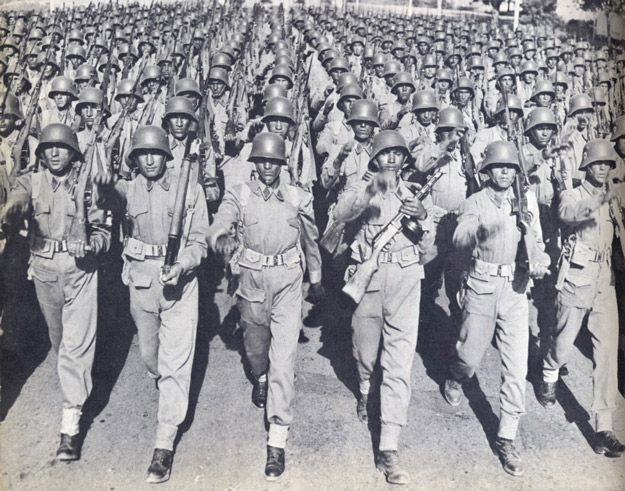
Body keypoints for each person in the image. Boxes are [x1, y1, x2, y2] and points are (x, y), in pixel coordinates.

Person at [94, 125, 209, 483]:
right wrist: (99, 178)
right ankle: (164, 388)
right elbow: (106, 196)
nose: (150, 159)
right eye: (142, 154)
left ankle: (164, 441)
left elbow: (200, 242)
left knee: (176, 362)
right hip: (141, 283)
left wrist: (184, 264)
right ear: (134, 159)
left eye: (156, 153)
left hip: (179, 283)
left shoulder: (189, 188)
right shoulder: (127, 191)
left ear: (166, 155)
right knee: (151, 356)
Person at [207, 132, 323, 481]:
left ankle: (277, 438)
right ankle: (259, 376)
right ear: (254, 163)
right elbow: (220, 222)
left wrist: (315, 279)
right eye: (263, 161)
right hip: (252, 283)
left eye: (274, 161)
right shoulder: (239, 195)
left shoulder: (297, 196)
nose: (268, 167)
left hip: (288, 281)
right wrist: (221, 239)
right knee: (256, 350)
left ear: (282, 164)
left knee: (284, 361)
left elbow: (311, 239)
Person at [1, 123, 110, 461]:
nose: (54, 153)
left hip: (80, 272)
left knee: (75, 349)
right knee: (60, 341)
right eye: (48, 148)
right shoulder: (31, 180)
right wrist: (8, 213)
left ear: (73, 152)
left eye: (60, 148)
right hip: (45, 269)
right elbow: (18, 201)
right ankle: (74, 385)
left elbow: (105, 231)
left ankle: (70, 426)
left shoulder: (87, 183)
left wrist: (90, 244)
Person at [443, 140, 550, 477]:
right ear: (487, 171)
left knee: (516, 367)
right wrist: (473, 232)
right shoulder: (476, 202)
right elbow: (462, 234)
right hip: (482, 284)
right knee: (469, 357)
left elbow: (538, 244)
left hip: (515, 290)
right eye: (498, 167)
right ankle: (455, 376)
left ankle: (506, 437)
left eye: (511, 168)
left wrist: (541, 261)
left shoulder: (523, 203)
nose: (505, 172)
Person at [332, 130, 434, 485]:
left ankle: (389, 444)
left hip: (406, 279)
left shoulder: (414, 194)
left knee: (399, 362)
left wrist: (421, 217)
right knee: (365, 353)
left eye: (398, 155)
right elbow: (341, 215)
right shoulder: (360, 186)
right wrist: (366, 187)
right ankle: (364, 389)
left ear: (405, 160)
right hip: (369, 279)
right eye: (385, 154)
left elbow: (431, 246)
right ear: (375, 158)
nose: (392, 160)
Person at [536, 139, 625, 459]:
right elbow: (567, 216)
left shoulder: (613, 197)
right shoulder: (571, 194)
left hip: (604, 279)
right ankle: (548, 370)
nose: (603, 169)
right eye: (598, 164)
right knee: (562, 344)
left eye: (608, 165)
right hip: (576, 275)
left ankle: (604, 426)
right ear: (586, 166)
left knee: (606, 355)